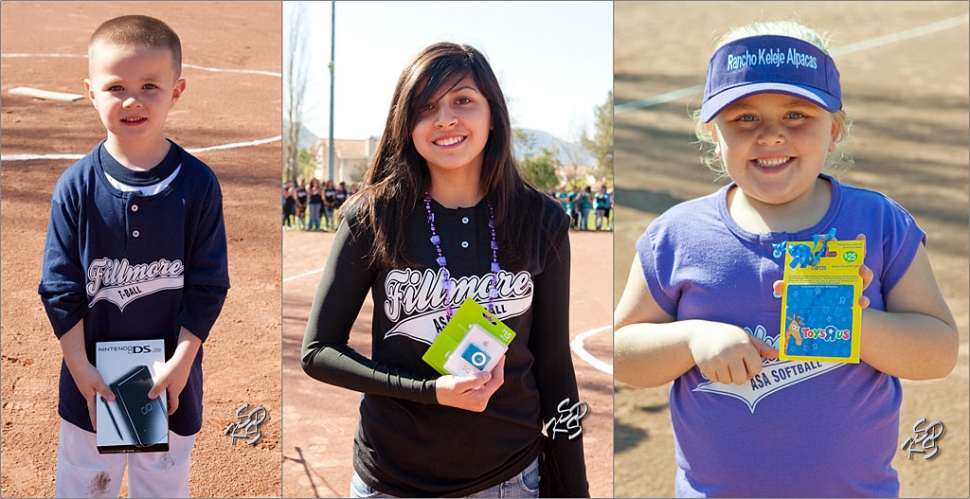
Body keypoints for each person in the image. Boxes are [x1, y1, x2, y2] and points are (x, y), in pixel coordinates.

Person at [613, 21, 957, 498]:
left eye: (797, 115)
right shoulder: (676, 235)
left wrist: (856, 322)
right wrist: (693, 338)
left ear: (834, 130)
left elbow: (938, 351)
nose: (772, 135)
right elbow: (622, 354)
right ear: (713, 134)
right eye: (745, 118)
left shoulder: (878, 221)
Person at [302, 42, 588, 497]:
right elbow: (318, 351)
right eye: (426, 106)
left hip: (510, 478)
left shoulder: (542, 220)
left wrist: (576, 488)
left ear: (493, 114)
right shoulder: (373, 216)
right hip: (391, 479)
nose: (445, 119)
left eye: (463, 101)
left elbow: (555, 368)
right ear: (406, 124)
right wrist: (431, 390)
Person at [37, 15, 229, 498]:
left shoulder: (198, 184)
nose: (132, 100)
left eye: (150, 86)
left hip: (170, 383)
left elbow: (208, 286)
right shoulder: (76, 187)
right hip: (91, 382)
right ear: (90, 91)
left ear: (177, 91)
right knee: (85, 486)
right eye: (116, 85)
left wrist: (182, 363)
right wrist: (80, 368)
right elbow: (60, 288)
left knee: (161, 485)